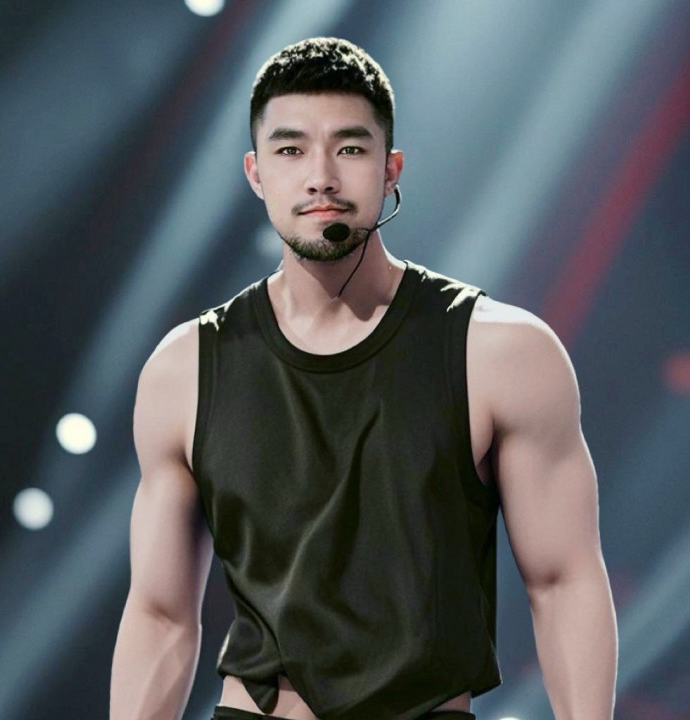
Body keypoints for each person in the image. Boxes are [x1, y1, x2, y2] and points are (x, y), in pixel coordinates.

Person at [110, 37, 618, 720]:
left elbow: (563, 583)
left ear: (390, 169)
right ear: (256, 173)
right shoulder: (186, 369)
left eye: (349, 148)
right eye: (291, 150)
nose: (320, 176)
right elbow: (159, 614)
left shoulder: (501, 352)